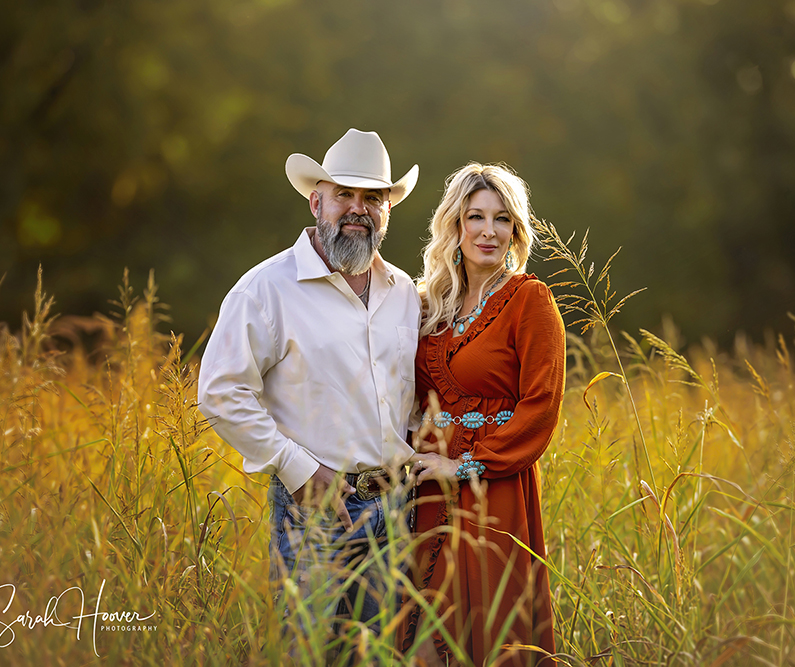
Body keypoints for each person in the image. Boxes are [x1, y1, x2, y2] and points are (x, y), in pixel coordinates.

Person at [197, 128, 422, 649]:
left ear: (388, 210)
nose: (358, 208)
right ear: (317, 200)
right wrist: (298, 470)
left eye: (372, 198)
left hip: (396, 510)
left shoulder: (405, 292)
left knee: (379, 657)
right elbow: (220, 391)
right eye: (345, 194)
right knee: (308, 652)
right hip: (314, 511)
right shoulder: (266, 288)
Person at [404, 163, 565, 666]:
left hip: (495, 487)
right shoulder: (427, 304)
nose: (488, 231)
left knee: (492, 635)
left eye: (502, 220)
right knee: (421, 638)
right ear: (455, 225)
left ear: (516, 230)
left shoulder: (529, 301)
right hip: (427, 489)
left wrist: (466, 465)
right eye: (476, 216)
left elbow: (541, 406)